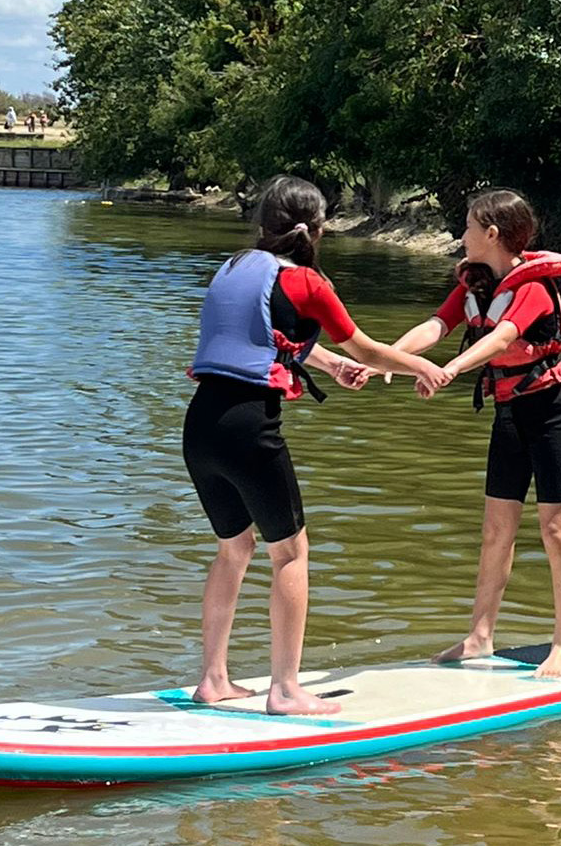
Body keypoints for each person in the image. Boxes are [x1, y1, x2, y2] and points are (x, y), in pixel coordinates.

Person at [184, 174, 453, 715]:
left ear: (263, 224)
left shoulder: (231, 267)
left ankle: (213, 680)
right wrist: (422, 363)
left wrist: (330, 365)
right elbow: (367, 347)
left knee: (234, 548)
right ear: (319, 229)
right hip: (248, 428)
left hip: (200, 428)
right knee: (291, 552)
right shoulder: (309, 283)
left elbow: (260, 341)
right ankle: (285, 690)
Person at [386, 189, 561, 679]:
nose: (462, 234)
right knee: (496, 530)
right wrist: (389, 358)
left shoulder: (532, 288)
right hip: (508, 414)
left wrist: (447, 371)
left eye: (469, 226)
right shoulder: (475, 285)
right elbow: (436, 325)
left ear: (492, 234)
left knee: (555, 529)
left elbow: (502, 338)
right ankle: (480, 636)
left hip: (550, 414)